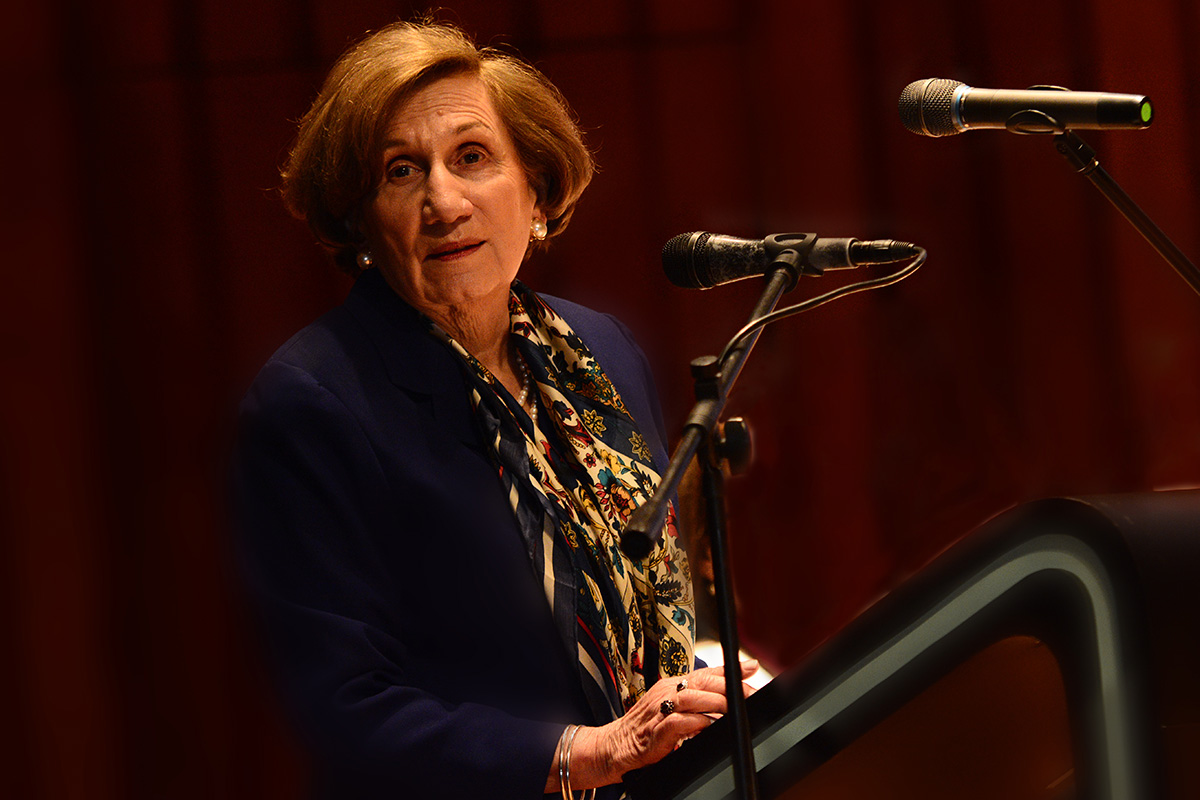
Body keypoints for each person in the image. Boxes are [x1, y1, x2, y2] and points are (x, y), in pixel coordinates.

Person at [233, 19, 757, 799]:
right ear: (361, 222)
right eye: (401, 172)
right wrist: (586, 752)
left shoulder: (601, 351)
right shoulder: (314, 402)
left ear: (535, 189)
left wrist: (713, 679)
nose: (443, 201)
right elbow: (341, 707)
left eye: (471, 158)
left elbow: (653, 590)